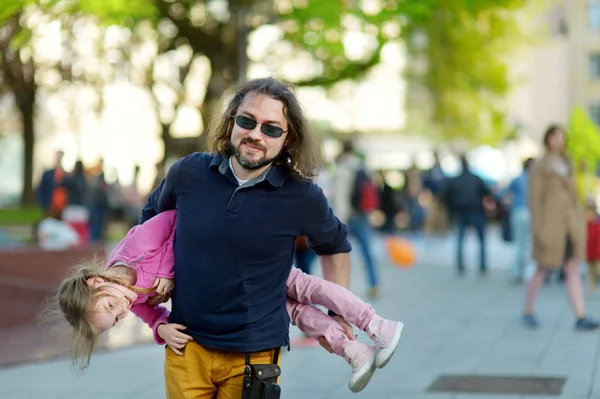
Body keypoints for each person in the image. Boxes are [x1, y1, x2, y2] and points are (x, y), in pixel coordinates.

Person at [139, 77, 393, 398]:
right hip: (185, 344)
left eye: (271, 128)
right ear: (232, 121)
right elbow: (152, 223)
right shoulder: (188, 172)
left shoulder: (302, 195)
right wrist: (158, 274)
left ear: (288, 139)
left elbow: (335, 245)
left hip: (254, 354)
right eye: (247, 121)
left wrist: (338, 311)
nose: (255, 134)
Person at [56, 210, 403, 392]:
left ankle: (376, 324)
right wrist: (162, 328)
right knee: (292, 311)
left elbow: (181, 219)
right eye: (115, 320)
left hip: (241, 258)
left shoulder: (136, 244)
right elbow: (153, 315)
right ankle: (354, 351)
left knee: (303, 287)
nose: (122, 311)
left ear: (96, 281)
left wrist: (170, 267)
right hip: (226, 288)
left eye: (110, 307)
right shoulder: (134, 299)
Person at [524, 124, 599, 330]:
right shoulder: (540, 166)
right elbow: (534, 200)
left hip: (571, 225)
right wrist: (538, 228)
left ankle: (580, 314)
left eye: (561, 136)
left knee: (573, 268)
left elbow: (579, 193)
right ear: (547, 139)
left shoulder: (570, 164)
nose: (559, 140)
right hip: (550, 226)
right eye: (554, 136)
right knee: (542, 268)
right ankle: (528, 309)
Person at [333, 140, 380, 298]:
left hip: (348, 217)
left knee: (340, 254)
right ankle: (374, 284)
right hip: (362, 214)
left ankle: (341, 289)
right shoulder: (361, 166)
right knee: (367, 251)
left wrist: (340, 220)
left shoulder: (343, 168)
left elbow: (340, 196)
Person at [440, 155, 492, 276]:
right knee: (480, 240)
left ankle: (460, 265)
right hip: (475, 210)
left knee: (460, 240)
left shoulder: (455, 180)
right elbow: (487, 192)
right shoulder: (476, 178)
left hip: (462, 211)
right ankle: (482, 265)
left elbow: (444, 195)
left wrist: (451, 207)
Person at [502, 157, 535, 283]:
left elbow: (504, 193)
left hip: (518, 211)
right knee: (529, 243)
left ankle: (516, 271)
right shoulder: (535, 180)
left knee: (519, 243)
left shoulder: (518, 179)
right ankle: (528, 272)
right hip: (530, 212)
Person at [36, 150, 68, 217]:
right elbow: (42, 188)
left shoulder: (66, 175)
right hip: (50, 205)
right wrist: (43, 203)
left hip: (62, 205)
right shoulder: (48, 174)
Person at [585, 200, 600, 293]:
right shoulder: (586, 226)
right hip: (589, 253)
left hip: (597, 253)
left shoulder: (597, 226)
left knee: (598, 270)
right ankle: (591, 287)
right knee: (590, 272)